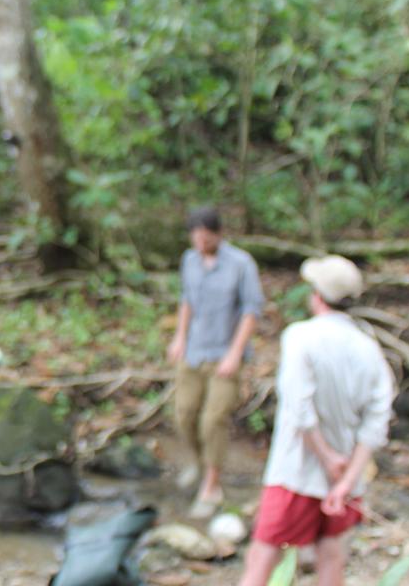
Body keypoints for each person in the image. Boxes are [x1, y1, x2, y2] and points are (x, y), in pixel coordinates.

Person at [238, 256, 394, 586]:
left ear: (317, 295)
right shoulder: (369, 347)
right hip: (346, 478)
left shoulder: (300, 336)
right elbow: (376, 423)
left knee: (262, 558)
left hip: (295, 473)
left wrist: (326, 459)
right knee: (332, 555)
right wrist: (347, 480)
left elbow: (299, 411)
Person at [167, 206, 264, 517]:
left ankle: (212, 484)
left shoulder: (240, 264)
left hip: (225, 354)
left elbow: (251, 311)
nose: (200, 242)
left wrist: (235, 354)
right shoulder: (189, 261)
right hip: (194, 350)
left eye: (206, 236)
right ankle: (198, 463)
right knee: (184, 414)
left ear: (218, 234)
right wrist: (179, 337)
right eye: (195, 236)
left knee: (213, 420)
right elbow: (186, 301)